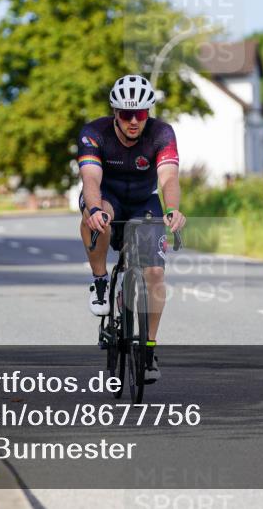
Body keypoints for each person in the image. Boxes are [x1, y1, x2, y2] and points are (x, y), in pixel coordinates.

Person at [77, 74, 186, 383]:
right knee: (96, 217)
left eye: (140, 114)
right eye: (127, 114)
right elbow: (91, 179)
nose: (134, 121)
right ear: (115, 113)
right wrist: (95, 209)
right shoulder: (94, 133)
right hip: (107, 197)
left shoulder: (161, 133)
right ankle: (100, 282)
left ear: (148, 113)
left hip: (143, 201)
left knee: (154, 272)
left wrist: (172, 209)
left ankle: (149, 348)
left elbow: (168, 178)